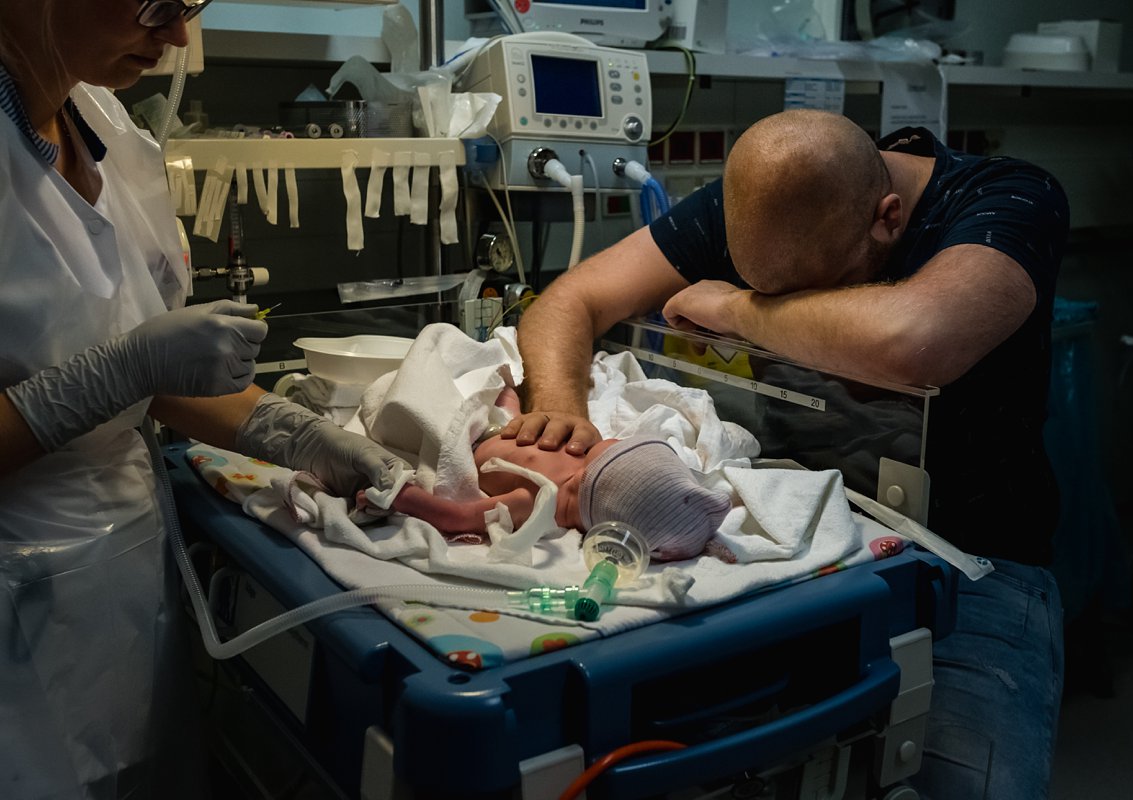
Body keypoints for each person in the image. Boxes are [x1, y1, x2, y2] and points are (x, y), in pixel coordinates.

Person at [505, 109, 1068, 799]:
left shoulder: (1007, 199)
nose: (787, 309)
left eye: (805, 296)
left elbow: (918, 341)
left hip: (974, 559)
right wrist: (562, 406)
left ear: (887, 218)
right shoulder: (768, 198)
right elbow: (573, 300)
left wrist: (741, 308)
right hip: (801, 537)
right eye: (765, 287)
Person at [0, 2, 399, 797]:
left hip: (125, 573)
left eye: (189, 5)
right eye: (153, 4)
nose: (179, 37)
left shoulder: (106, 123)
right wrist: (115, 373)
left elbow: (155, 378)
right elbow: (127, 369)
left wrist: (295, 434)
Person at [360, 388, 731, 562]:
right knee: (502, 388)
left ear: (600, 479)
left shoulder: (540, 500)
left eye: (619, 446)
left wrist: (404, 496)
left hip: (458, 445)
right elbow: (528, 425)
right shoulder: (581, 457)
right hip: (500, 423)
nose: (616, 438)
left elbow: (457, 517)